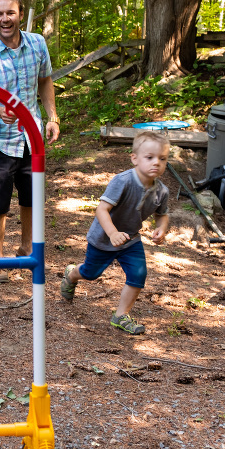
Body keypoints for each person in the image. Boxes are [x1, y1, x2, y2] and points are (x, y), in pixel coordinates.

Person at [0, 0, 60, 283]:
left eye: (10, 12)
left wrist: (52, 117)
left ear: (20, 14)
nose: (5, 19)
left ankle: (26, 249)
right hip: (0, 139)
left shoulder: (37, 44)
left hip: (32, 136)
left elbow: (45, 80)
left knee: (31, 197)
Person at [60, 131, 171, 335]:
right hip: (103, 239)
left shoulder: (161, 191)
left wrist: (161, 229)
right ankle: (71, 275)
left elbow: (162, 215)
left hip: (130, 240)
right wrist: (112, 233)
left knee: (138, 275)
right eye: (150, 157)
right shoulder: (123, 181)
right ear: (135, 159)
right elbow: (102, 209)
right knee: (90, 274)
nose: (156, 162)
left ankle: (121, 315)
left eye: (162, 159)